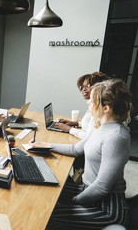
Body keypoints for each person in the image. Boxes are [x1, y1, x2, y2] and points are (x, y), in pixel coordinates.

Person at [29, 79, 131, 229]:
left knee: (44, 213)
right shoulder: (101, 126)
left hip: (107, 208)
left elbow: (102, 188)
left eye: (92, 100)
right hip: (88, 189)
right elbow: (76, 149)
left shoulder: (116, 137)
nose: (88, 102)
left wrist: (74, 200)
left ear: (106, 108)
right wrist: (46, 145)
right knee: (43, 190)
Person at [54, 72, 109, 139]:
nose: (83, 89)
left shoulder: (99, 109)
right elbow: (89, 125)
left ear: (99, 87)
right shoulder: (92, 104)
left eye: (88, 86)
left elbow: (88, 137)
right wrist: (75, 123)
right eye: (82, 87)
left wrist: (69, 129)